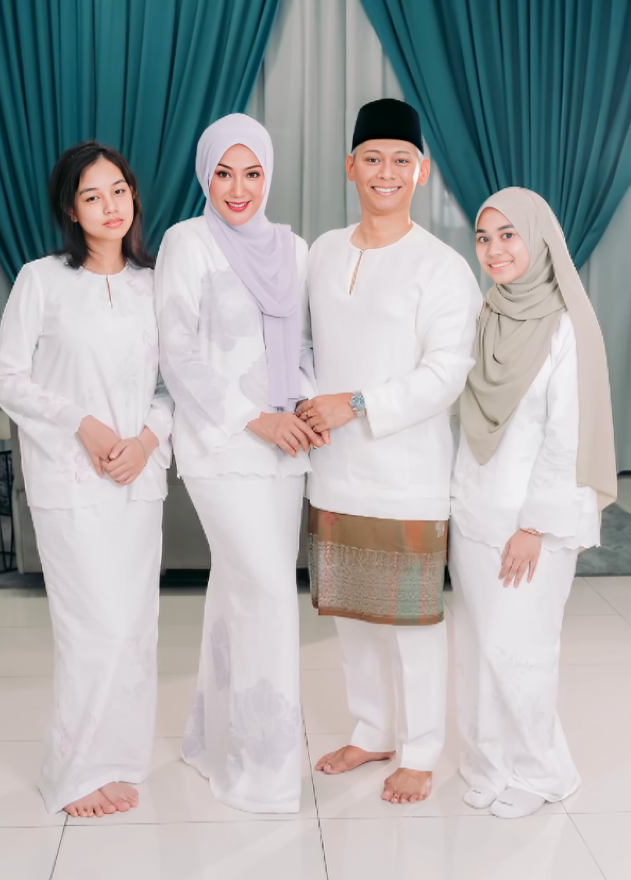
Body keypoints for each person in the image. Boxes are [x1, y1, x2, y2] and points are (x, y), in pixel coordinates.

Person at [298, 98, 482, 804]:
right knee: (351, 613)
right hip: (331, 467)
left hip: (406, 473)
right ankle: (372, 729)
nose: (385, 171)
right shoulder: (323, 251)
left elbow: (446, 373)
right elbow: (304, 346)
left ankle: (421, 749)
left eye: (400, 160)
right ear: (350, 166)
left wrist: (354, 404)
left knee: (411, 619)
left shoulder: (442, 267)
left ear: (421, 171)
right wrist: (308, 404)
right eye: (372, 158)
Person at [0, 142, 173, 817]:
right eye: (92, 196)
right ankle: (72, 773)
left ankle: (118, 759)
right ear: (71, 210)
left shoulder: (156, 285)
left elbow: (175, 386)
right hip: (69, 482)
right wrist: (83, 424)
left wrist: (146, 440)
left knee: (134, 628)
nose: (110, 206)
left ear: (133, 196)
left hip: (138, 480)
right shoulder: (40, 280)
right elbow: (7, 377)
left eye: (118, 190)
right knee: (92, 627)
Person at [155, 113, 323, 813]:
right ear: (205, 175)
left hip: (285, 452)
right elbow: (176, 352)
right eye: (223, 173)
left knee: (238, 593)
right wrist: (257, 418)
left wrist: (303, 405)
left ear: (268, 175)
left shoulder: (294, 249)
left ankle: (210, 739)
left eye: (252, 173)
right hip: (222, 446)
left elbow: (305, 345)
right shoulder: (187, 242)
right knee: (267, 596)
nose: (238, 189)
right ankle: (263, 772)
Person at [449, 187, 617, 818]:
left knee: (520, 648)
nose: (494, 250)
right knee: (477, 647)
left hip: (532, 525)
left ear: (538, 238)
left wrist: (535, 526)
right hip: (474, 512)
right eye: (484, 237)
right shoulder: (486, 314)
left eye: (508, 235)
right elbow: (465, 416)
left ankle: (544, 772)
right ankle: (489, 762)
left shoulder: (568, 325)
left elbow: (566, 434)